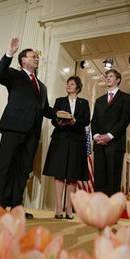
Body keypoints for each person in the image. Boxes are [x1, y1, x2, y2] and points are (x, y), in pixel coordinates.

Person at [0, 37, 65, 219]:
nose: (36, 59)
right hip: (13, 128)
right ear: (23, 60)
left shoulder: (41, 86)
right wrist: (9, 52)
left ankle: (17, 205)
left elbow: (46, 109)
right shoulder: (14, 75)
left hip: (32, 133)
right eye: (33, 56)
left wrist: (60, 114)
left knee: (24, 170)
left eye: (36, 57)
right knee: (5, 167)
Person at [43, 76, 90, 220]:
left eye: (71, 84)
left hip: (77, 141)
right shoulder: (59, 101)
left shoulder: (84, 103)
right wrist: (60, 123)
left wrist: (74, 122)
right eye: (67, 84)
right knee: (59, 174)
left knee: (72, 176)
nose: (68, 86)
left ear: (78, 87)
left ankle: (69, 209)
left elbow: (87, 120)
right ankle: (58, 208)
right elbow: (53, 119)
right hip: (60, 139)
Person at [91, 69, 130, 197]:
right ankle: (99, 210)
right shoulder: (99, 100)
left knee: (113, 179)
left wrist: (109, 136)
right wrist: (96, 136)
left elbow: (124, 120)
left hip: (115, 143)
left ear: (118, 80)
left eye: (111, 76)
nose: (108, 78)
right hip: (99, 144)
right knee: (99, 178)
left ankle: (112, 211)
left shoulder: (126, 97)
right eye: (107, 76)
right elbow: (94, 121)